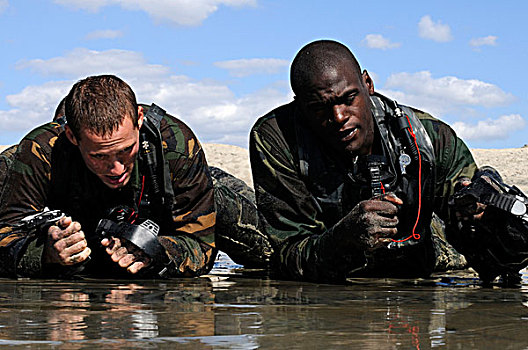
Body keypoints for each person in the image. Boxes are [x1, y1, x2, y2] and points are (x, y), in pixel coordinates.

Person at [249, 39, 510, 283]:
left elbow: (489, 252)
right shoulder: (277, 139)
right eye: (319, 108)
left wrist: (492, 218)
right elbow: (287, 255)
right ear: (300, 106)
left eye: (348, 99)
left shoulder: (428, 139)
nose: (339, 117)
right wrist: (341, 240)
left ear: (368, 84)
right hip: (324, 251)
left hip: (416, 248)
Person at [0, 74, 269, 279]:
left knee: (269, 251)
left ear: (139, 120)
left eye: (126, 150)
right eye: (99, 156)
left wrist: (157, 250)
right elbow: (5, 237)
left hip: (192, 192)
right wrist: (46, 254)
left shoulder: (175, 144)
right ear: (72, 137)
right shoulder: (37, 153)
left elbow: (201, 245)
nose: (116, 169)